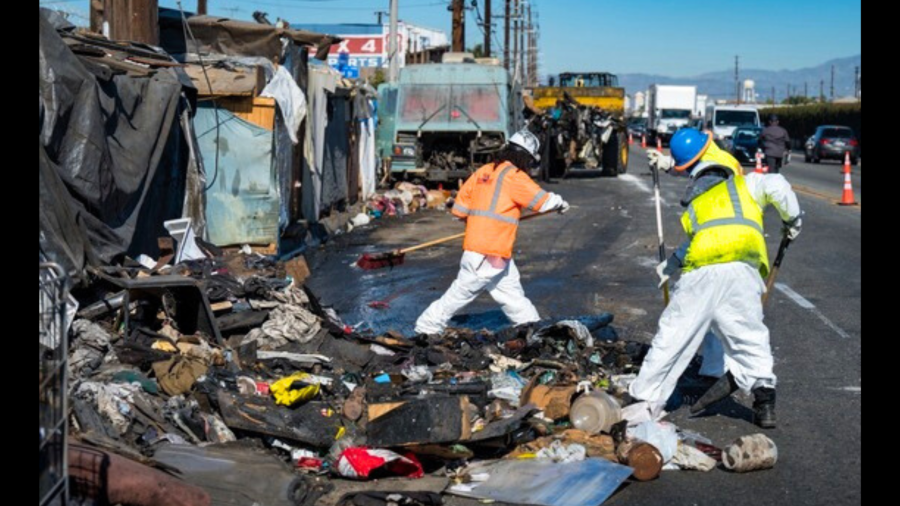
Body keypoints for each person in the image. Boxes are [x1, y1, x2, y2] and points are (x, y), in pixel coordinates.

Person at [634, 128, 803, 428]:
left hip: (702, 275)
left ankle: (643, 399)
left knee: (674, 336)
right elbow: (777, 184)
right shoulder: (746, 184)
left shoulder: (696, 207)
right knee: (749, 336)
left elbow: (695, 244)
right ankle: (764, 400)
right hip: (743, 272)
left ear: (694, 176)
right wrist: (792, 220)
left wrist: (670, 266)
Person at [414, 130, 569, 336]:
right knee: (462, 291)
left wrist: (479, 221)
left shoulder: (484, 171)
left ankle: (531, 326)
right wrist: (560, 203)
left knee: (511, 293)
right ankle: (427, 326)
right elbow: (542, 201)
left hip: (489, 248)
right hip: (489, 250)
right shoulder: (514, 177)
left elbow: (459, 210)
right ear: (524, 157)